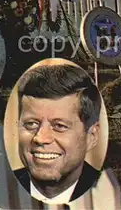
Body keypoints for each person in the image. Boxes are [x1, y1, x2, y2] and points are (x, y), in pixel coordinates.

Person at [13, 64, 102, 204]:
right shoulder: (5, 188)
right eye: (31, 124)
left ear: (92, 136)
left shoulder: (108, 194)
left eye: (59, 126)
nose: (40, 138)